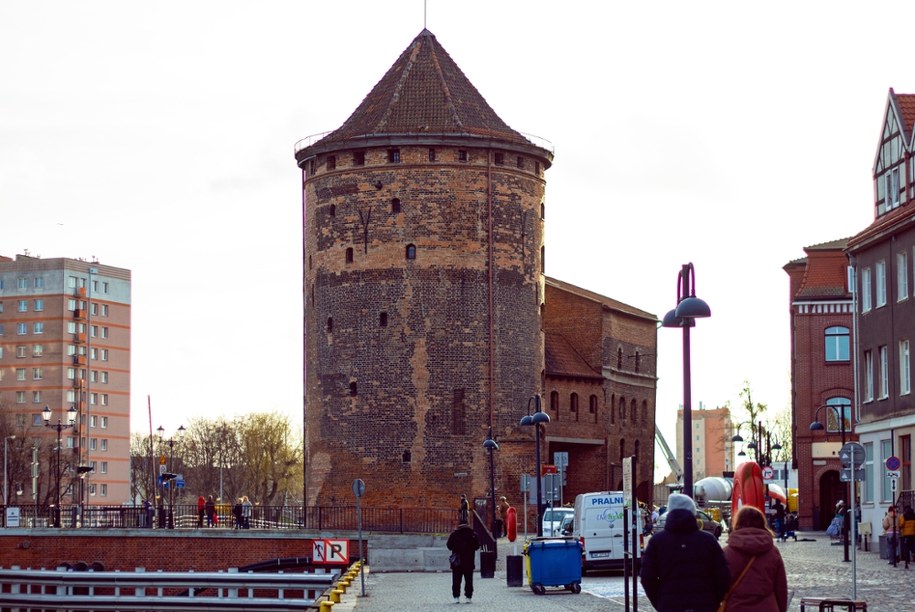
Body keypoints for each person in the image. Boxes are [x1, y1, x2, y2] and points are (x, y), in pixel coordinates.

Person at [640, 493, 730, 612]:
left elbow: (647, 577)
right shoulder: (708, 540)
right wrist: (713, 600)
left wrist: (661, 601)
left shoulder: (657, 542)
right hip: (704, 605)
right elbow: (723, 577)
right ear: (693, 513)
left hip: (670, 605)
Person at [721, 505, 788, 612]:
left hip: (735, 607)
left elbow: (719, 588)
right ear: (762, 523)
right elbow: (781, 589)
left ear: (737, 523)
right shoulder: (773, 552)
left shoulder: (727, 553)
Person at [446, 519, 480, 604]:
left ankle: (456, 597)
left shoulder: (454, 534)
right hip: (469, 561)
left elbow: (449, 546)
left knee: (456, 580)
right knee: (469, 580)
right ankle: (468, 597)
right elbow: (477, 547)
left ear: (459, 525)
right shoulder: (473, 534)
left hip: (457, 561)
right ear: (467, 525)